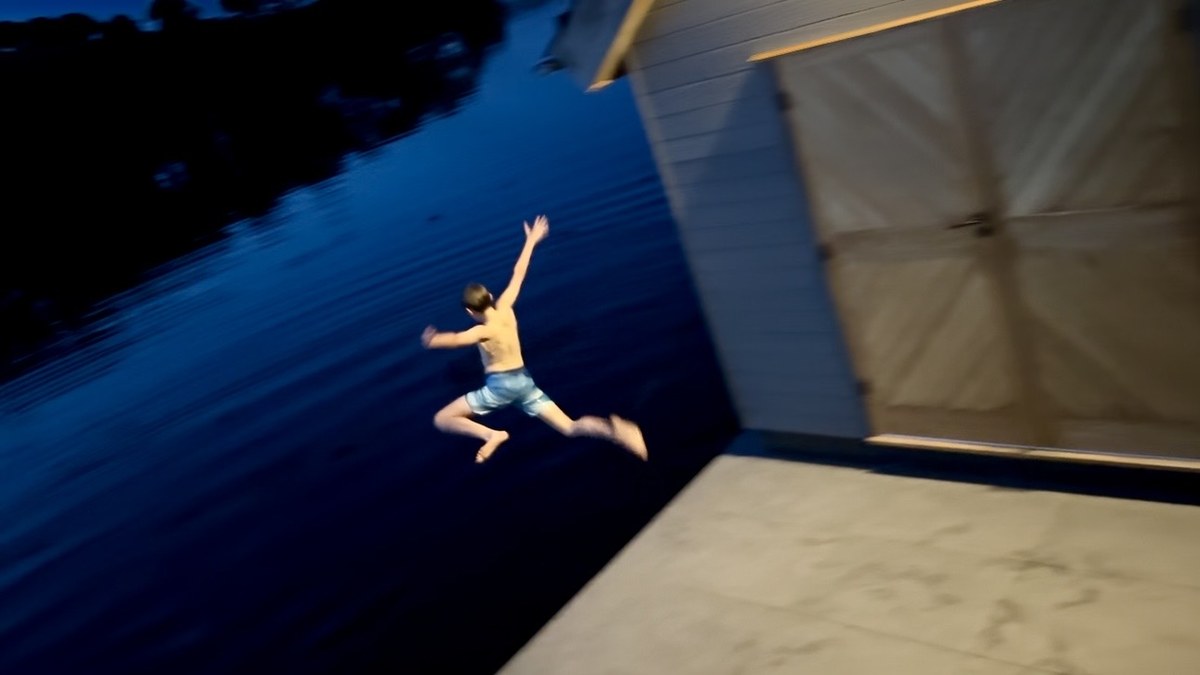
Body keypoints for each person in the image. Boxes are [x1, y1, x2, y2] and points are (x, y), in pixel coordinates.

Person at [421, 214, 648, 464]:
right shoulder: (506, 308)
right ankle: (613, 431)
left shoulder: (482, 330)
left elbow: (456, 339)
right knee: (569, 427)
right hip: (523, 383)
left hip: (500, 387)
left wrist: (433, 340)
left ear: (469, 311)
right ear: (491, 296)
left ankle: (492, 435)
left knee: (442, 419)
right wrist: (531, 240)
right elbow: (518, 274)